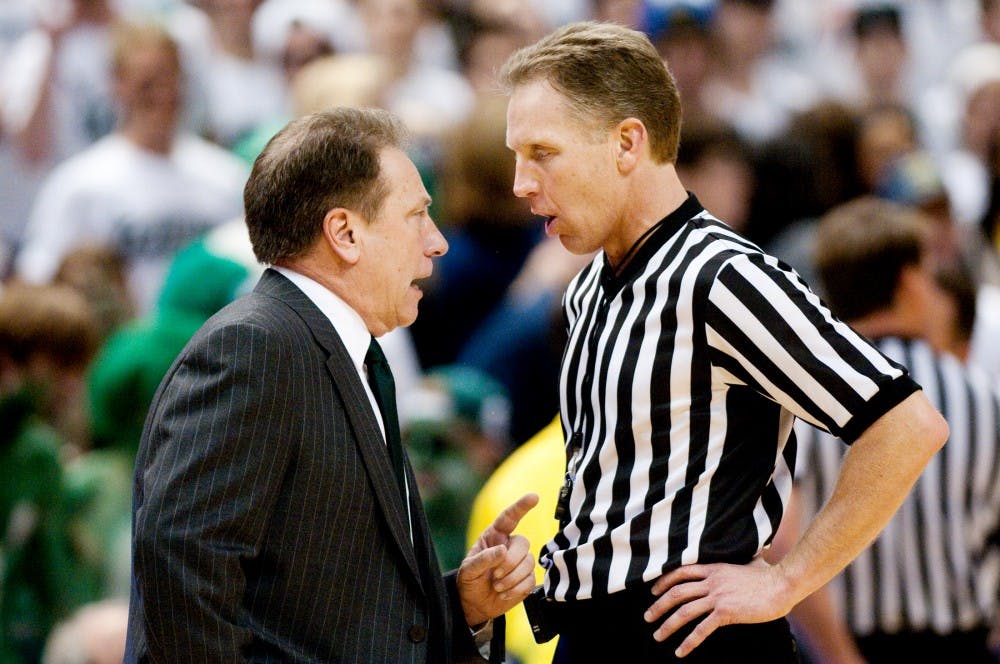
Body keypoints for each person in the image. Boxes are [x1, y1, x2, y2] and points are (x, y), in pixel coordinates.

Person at [500, 21, 948, 663]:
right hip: (590, 635)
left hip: (694, 638)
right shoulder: (586, 289)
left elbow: (907, 425)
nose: (520, 181)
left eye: (542, 152)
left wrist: (786, 583)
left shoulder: (723, 277)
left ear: (627, 142)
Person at [126, 106, 538, 663]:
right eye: (417, 215)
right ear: (344, 233)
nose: (437, 243)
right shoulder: (253, 348)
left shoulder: (351, 352)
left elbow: (315, 611)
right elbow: (181, 566)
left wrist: (457, 605)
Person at [776, 197, 1000, 663]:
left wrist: (838, 656)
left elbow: (782, 539)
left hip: (845, 640)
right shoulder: (977, 393)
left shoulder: (801, 404)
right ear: (911, 282)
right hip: (963, 642)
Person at [13, 20, 247, 314]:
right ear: (117, 84)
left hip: (213, 343)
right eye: (147, 83)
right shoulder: (81, 183)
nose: (162, 94)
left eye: (169, 79)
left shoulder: (225, 177)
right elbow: (37, 279)